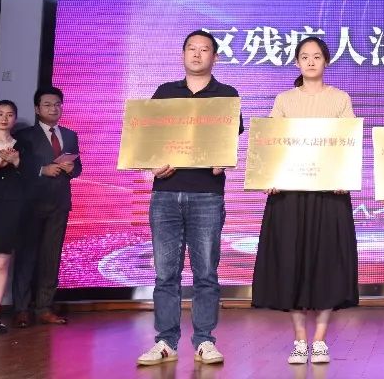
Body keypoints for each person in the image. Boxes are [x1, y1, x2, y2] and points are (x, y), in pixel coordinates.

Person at [136, 30, 243, 366]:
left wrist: (224, 157)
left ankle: (205, 340)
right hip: (165, 193)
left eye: (204, 49)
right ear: (183, 54)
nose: (197, 54)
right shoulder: (165, 93)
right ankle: (165, 341)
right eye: (191, 49)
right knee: (165, 273)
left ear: (215, 57)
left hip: (206, 194)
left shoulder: (226, 95)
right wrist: (151, 164)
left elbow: (230, 140)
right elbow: (147, 138)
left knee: (206, 272)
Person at [252, 36, 359, 366]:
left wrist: (344, 177)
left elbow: (347, 144)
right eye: (304, 57)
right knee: (292, 264)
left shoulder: (340, 99)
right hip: (291, 194)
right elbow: (271, 143)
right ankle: (300, 340)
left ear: (326, 61)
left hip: (328, 194)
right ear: (297, 62)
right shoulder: (284, 100)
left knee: (327, 263)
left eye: (317, 56)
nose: (311, 62)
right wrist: (268, 176)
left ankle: (320, 339)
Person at [13, 87, 82, 328]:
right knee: (26, 257)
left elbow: (79, 167)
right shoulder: (24, 136)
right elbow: (16, 167)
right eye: (48, 104)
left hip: (59, 204)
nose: (54, 109)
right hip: (31, 204)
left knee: (51, 257)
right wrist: (42, 170)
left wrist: (72, 169)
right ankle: (21, 309)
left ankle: (44, 307)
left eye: (57, 104)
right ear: (37, 108)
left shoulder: (70, 135)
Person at [0, 100, 27, 334]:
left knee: (1, 263)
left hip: (11, 208)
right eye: (0, 114)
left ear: (14, 119)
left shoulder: (22, 146)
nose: (4, 118)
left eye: (10, 114)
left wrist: (17, 162)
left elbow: (33, 177)